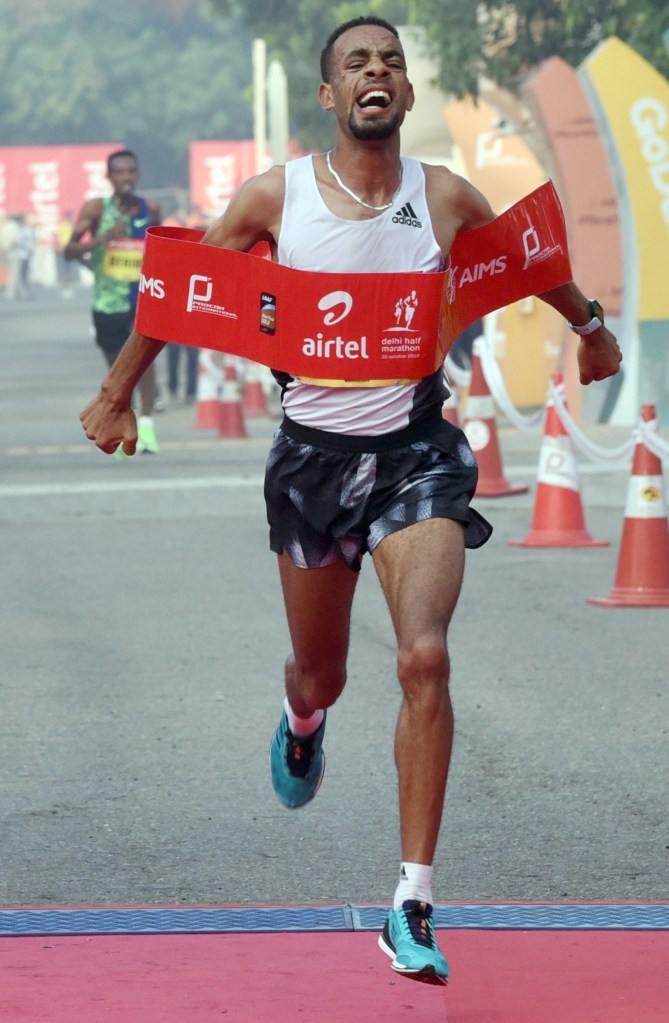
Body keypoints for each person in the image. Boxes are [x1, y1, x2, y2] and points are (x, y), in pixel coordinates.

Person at [79, 17, 622, 985]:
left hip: (416, 456)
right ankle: (302, 720)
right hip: (311, 464)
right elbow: (183, 291)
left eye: (392, 63)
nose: (378, 73)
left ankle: (411, 900)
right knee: (320, 673)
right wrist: (119, 389)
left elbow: (525, 262)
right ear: (330, 96)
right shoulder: (274, 196)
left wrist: (590, 327)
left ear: (405, 95)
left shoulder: (443, 196)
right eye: (357, 64)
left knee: (424, 657)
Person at [65, 149, 162, 453]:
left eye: (130, 171)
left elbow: (163, 248)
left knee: (143, 360)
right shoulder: (96, 209)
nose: (126, 178)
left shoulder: (150, 208)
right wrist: (103, 241)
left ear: (138, 174)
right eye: (119, 172)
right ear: (109, 177)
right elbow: (68, 250)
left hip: (142, 297)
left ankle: (147, 424)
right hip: (107, 303)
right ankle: (124, 424)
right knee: (118, 370)